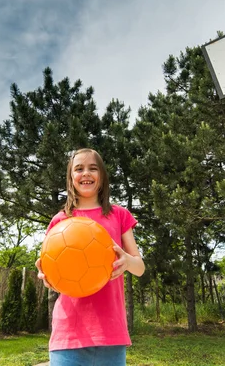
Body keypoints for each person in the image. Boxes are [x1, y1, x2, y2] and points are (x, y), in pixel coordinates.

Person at [35, 148, 145, 366]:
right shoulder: (60, 221)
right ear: (71, 178)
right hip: (68, 332)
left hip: (111, 331)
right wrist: (45, 275)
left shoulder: (119, 215)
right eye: (79, 169)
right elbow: (49, 269)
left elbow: (139, 267)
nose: (86, 173)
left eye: (93, 168)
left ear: (102, 176)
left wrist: (126, 261)